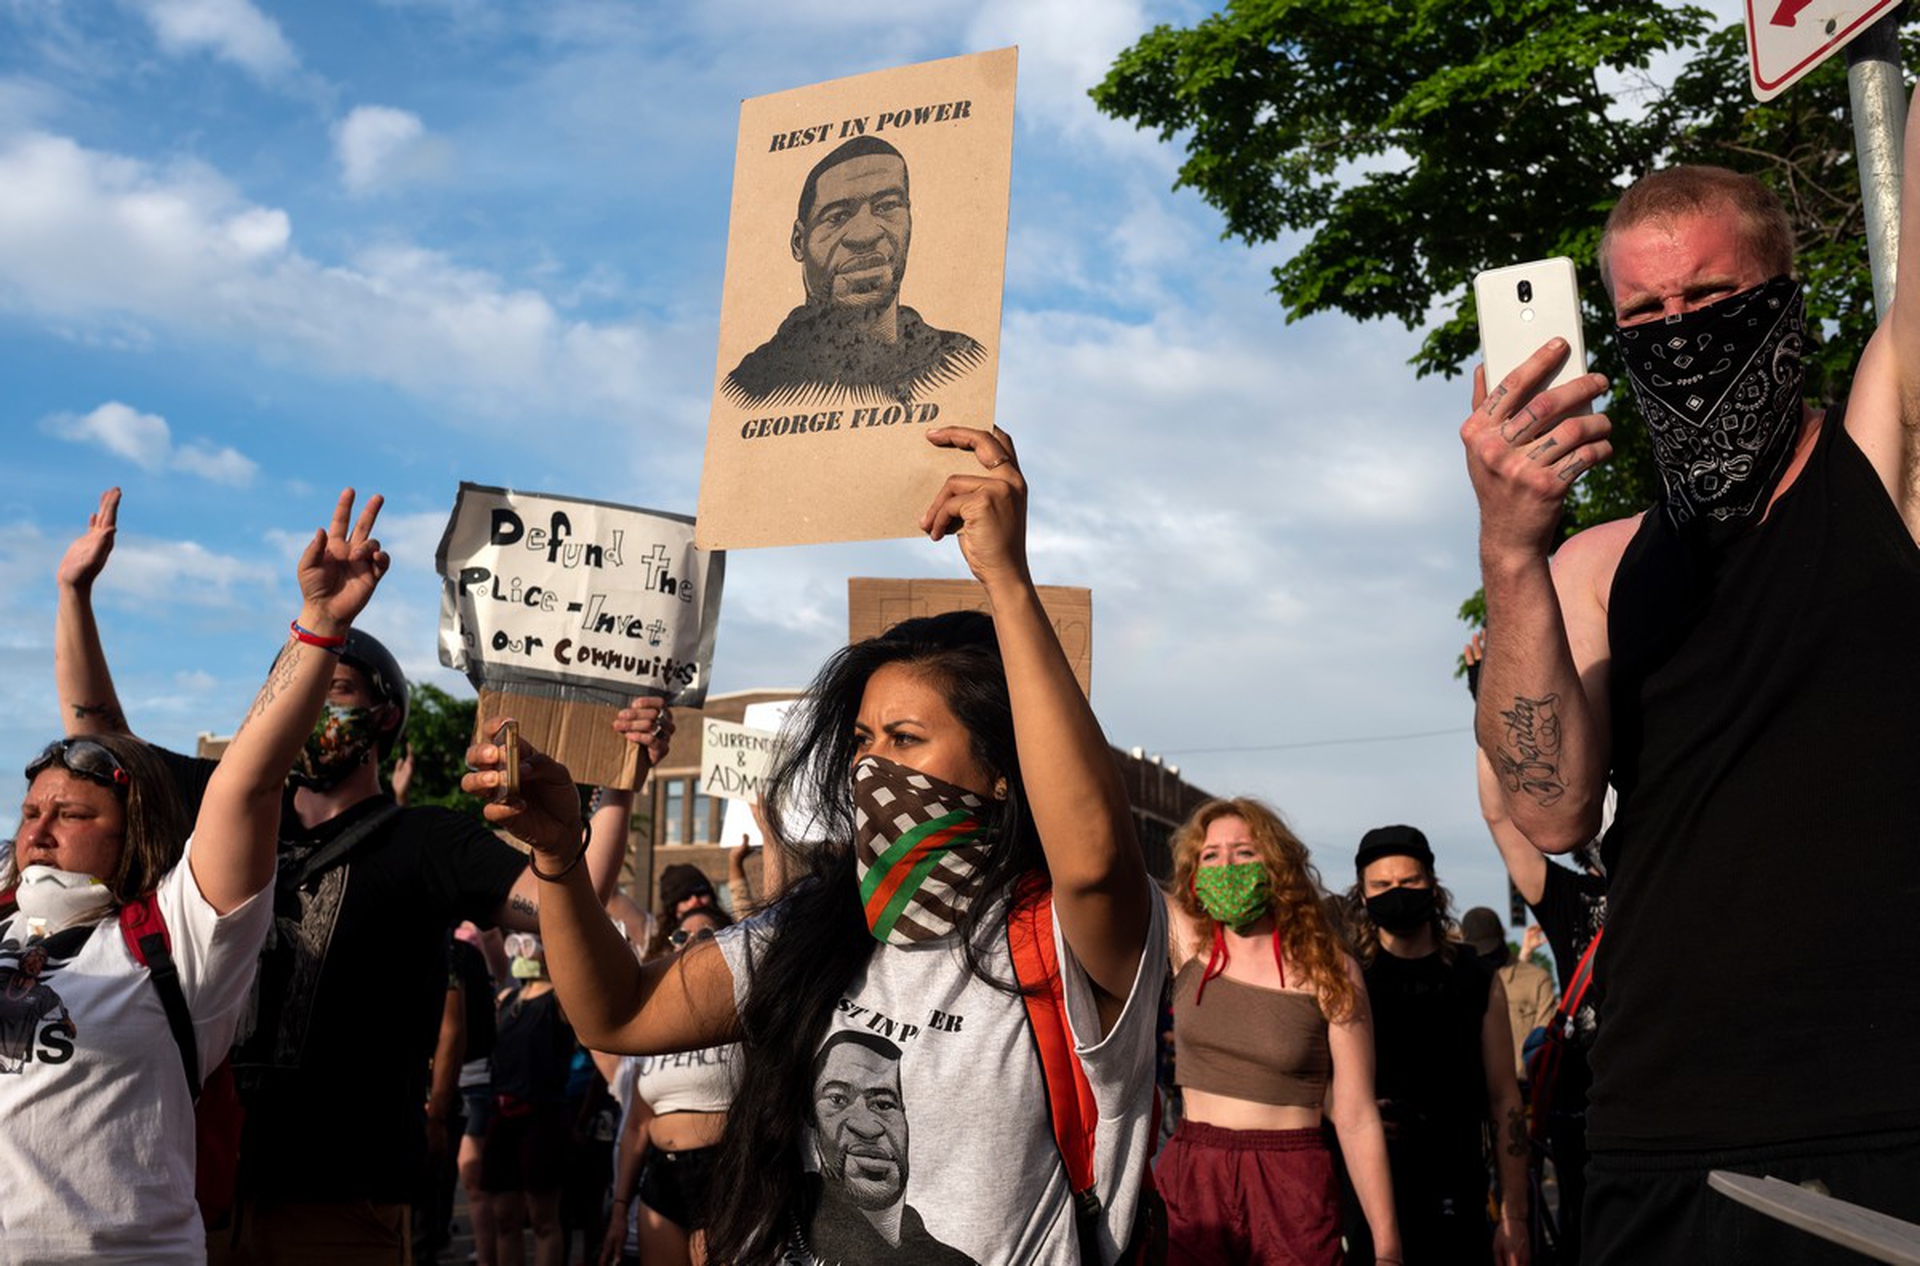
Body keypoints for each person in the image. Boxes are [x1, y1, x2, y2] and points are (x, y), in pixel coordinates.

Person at [468, 423, 1166, 1265]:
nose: (871, 763)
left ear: (1004, 772)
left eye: (905, 738)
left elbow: (1091, 856)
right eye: (863, 740)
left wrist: (1008, 582)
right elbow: (618, 1012)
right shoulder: (814, 928)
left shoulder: (1066, 938)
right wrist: (558, 858)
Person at [1460, 148, 1920, 1263]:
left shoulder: (1883, 463)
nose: (1679, 329)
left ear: (1783, 295)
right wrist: (1510, 548)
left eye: (1710, 298)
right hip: (1662, 1131)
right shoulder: (1593, 568)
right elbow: (1554, 810)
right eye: (1646, 311)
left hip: (1883, 1115)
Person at [51, 487, 673, 1263]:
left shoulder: (427, 839)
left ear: (384, 718)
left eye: (335, 694)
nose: (312, 715)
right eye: (303, 693)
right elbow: (99, 744)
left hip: (343, 1199)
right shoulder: (226, 806)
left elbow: (562, 901)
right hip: (191, 1182)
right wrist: (73, 593)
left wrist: (617, 784)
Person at [1, 487, 389, 1263]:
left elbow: (246, 782)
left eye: (72, 816)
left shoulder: (175, 939)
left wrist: (319, 628)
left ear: (134, 833)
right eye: (29, 811)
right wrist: (70, 591)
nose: (38, 829)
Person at [1157, 797, 1400, 1265]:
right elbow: (1107, 859)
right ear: (1193, 870)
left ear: (1277, 864)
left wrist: (1388, 1247)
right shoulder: (1187, 944)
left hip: (1291, 1179)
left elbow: (1354, 1115)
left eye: (1245, 852)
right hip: (1194, 1174)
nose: (1227, 865)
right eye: (1211, 855)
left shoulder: (1330, 970)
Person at [1349, 826, 1528, 1266]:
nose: (1397, 893)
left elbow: (1505, 1098)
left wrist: (1516, 1217)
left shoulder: (1477, 977)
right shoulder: (1349, 978)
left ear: (1432, 883)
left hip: (1459, 1190)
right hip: (1371, 1196)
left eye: (1409, 882)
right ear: (1363, 894)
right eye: (1381, 885)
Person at [723, 136, 986, 408]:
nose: (865, 234)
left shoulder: (959, 361)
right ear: (799, 242)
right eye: (837, 216)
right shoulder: (753, 388)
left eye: (886, 206)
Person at [600, 903, 740, 1266]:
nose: (690, 943)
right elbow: (636, 1126)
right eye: (681, 936)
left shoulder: (741, 1021)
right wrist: (619, 1208)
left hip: (721, 1174)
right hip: (661, 1176)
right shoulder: (655, 1029)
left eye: (706, 935)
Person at [484, 932, 576, 1266]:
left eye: (527, 944)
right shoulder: (508, 999)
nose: (519, 951)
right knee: (504, 1218)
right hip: (504, 1114)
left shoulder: (560, 1001)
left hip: (543, 1117)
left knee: (543, 1219)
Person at [1460, 906, 1557, 1082]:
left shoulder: (1536, 980)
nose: (1486, 956)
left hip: (1523, 1087)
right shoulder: (1459, 979)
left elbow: (1544, 1039)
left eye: (1489, 950)